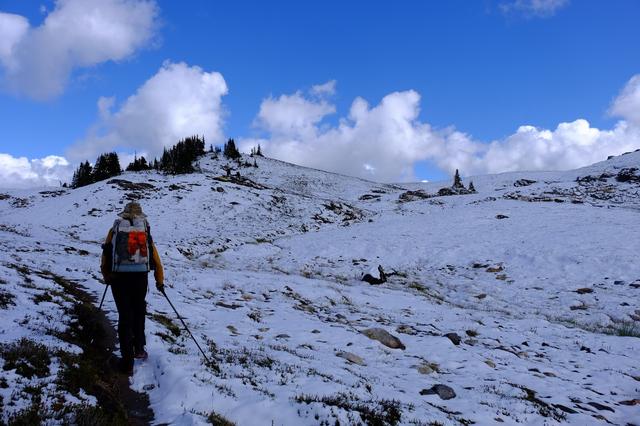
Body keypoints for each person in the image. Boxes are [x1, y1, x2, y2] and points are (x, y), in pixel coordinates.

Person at [100, 201, 164, 375]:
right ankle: (139, 349)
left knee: (125, 316)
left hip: (119, 278)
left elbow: (106, 253)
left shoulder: (115, 230)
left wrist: (107, 275)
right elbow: (155, 256)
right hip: (140, 278)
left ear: (124, 215)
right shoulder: (144, 230)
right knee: (138, 311)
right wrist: (159, 280)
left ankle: (126, 363)